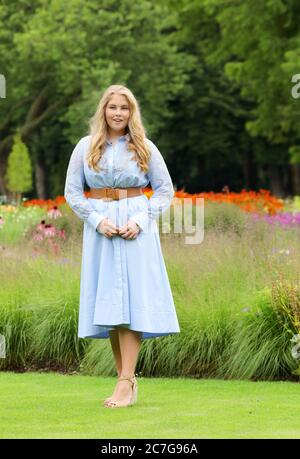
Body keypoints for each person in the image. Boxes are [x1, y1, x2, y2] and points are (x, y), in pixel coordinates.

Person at [64, 84, 180, 408]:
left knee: (131, 303)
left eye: (124, 108)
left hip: (134, 230)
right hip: (102, 230)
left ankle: (125, 381)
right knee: (113, 308)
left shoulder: (144, 147)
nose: (118, 113)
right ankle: (125, 382)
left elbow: (164, 190)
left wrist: (140, 221)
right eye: (112, 107)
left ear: (132, 113)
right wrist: (97, 220)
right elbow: (72, 192)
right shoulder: (85, 147)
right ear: (103, 110)